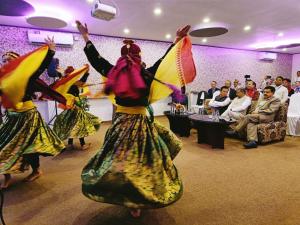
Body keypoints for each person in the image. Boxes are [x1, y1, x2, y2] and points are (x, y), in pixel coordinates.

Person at [76, 20, 190, 217]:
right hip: (135, 125)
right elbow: (164, 61)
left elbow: (97, 60)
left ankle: (133, 198)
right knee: (138, 161)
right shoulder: (146, 74)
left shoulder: (116, 73)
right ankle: (134, 198)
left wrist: (86, 37)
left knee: (126, 161)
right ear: (139, 58)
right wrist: (176, 40)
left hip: (125, 124)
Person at [0, 38, 65, 188]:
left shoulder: (27, 76)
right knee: (3, 146)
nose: (6, 62)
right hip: (11, 117)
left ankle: (36, 170)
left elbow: (41, 67)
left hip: (28, 116)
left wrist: (50, 51)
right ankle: (7, 176)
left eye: (10, 60)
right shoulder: (3, 79)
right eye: (4, 60)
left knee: (29, 147)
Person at [53, 66, 101, 150]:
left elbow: (79, 82)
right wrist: (86, 72)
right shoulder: (72, 82)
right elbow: (82, 82)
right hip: (73, 105)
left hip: (69, 106)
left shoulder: (64, 81)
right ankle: (82, 144)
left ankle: (70, 143)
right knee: (79, 125)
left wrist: (59, 72)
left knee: (72, 124)